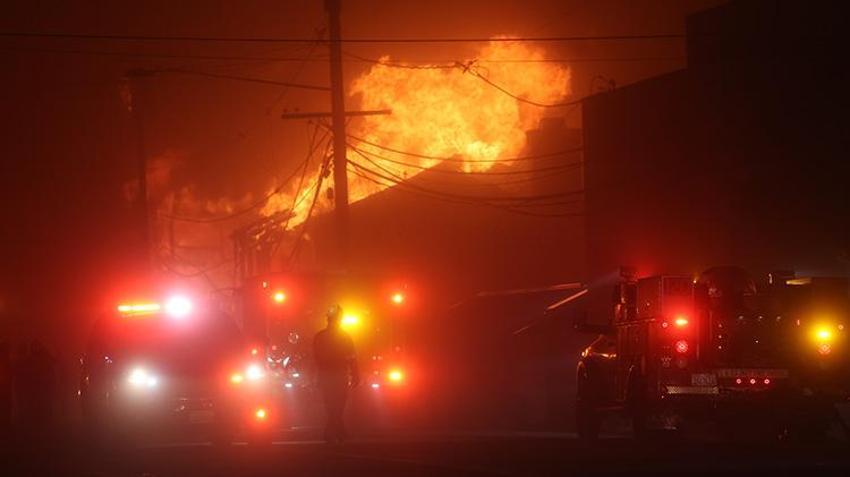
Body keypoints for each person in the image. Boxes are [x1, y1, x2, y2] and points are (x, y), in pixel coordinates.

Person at [313, 305, 359, 444]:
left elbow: (315, 358)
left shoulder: (320, 337)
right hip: (337, 375)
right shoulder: (344, 337)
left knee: (332, 404)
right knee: (337, 404)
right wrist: (355, 373)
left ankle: (337, 431)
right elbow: (351, 357)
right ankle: (337, 431)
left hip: (328, 375)